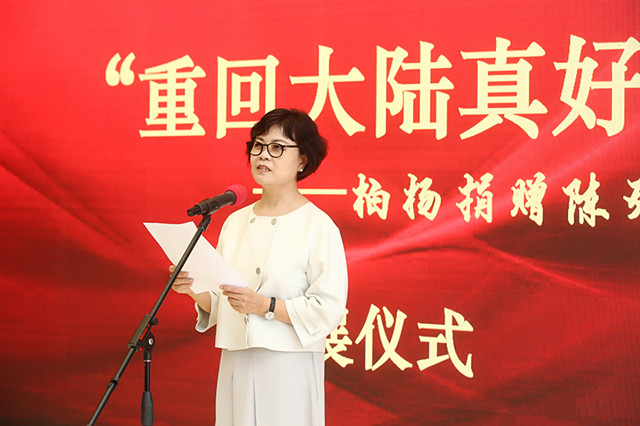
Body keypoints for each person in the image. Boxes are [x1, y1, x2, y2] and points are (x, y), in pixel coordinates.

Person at [171, 108, 348, 426]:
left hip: (288, 366)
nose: (263, 155)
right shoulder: (235, 221)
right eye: (258, 145)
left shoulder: (318, 226)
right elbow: (221, 301)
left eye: (277, 147)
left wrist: (265, 305)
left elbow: (327, 309)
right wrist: (192, 288)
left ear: (303, 161)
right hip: (237, 361)